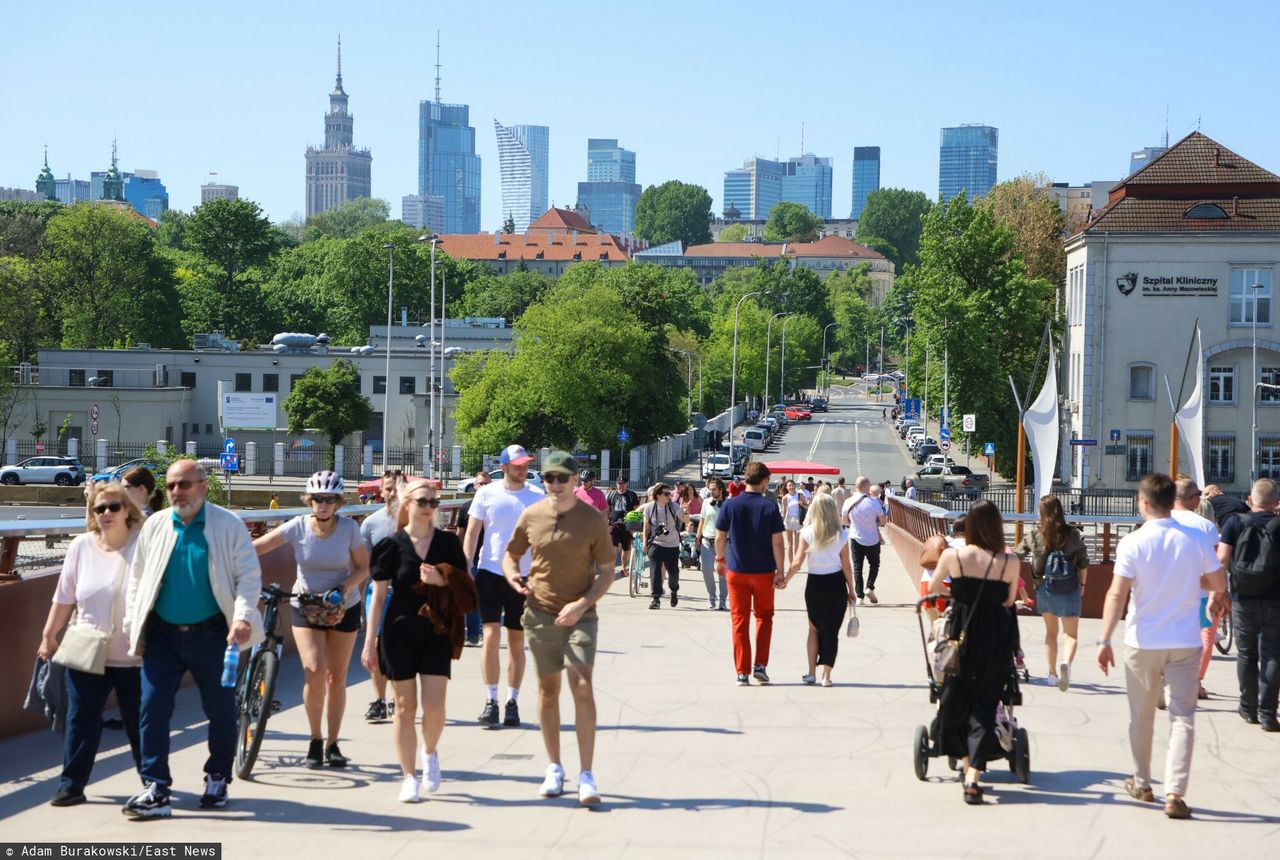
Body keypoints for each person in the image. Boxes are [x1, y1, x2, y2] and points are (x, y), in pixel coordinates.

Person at [120, 459, 262, 818]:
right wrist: (131, 625)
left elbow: (248, 575)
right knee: (151, 708)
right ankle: (156, 787)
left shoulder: (227, 525)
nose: (176, 492)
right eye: (170, 486)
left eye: (184, 484)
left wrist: (243, 617)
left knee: (220, 710)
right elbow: (137, 579)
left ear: (203, 485)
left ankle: (217, 778)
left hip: (213, 633)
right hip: (162, 636)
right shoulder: (155, 525)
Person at [1097, 473, 1225, 819]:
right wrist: (1212, 593)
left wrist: (1104, 638)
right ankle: (1175, 793)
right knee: (1183, 717)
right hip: (1184, 640)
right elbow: (1217, 579)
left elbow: (1117, 593)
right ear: (1174, 501)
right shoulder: (1194, 539)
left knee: (1141, 716)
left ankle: (1142, 782)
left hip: (1143, 641)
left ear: (1143, 503)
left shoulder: (1133, 543)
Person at [503, 452, 616, 806]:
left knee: (582, 684)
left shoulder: (591, 519)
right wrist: (513, 578)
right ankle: (554, 767)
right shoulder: (532, 514)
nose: (555, 484)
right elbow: (511, 554)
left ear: (574, 480)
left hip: (581, 613)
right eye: (549, 478)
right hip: (539, 613)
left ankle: (586, 774)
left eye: (561, 478)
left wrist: (582, 604)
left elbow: (608, 571)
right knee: (547, 690)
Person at [363, 478, 477, 802]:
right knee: (404, 706)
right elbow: (379, 596)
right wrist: (370, 641)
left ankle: (429, 751)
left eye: (433, 502)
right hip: (398, 631)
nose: (429, 508)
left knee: (435, 707)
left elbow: (465, 585)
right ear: (407, 505)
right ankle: (409, 776)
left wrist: (442, 578)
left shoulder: (448, 544)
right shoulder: (390, 545)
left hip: (436, 630)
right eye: (423, 501)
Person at [38, 482, 145, 807]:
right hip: (88, 648)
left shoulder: (143, 543)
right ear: (92, 513)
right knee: (81, 720)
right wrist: (48, 635)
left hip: (136, 654)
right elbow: (64, 597)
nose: (107, 513)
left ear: (127, 509)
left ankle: (154, 784)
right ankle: (71, 785)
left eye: (114, 506)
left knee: (141, 723)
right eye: (100, 508)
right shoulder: (82, 546)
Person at [252, 471, 368, 768]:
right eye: (318, 499)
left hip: (343, 606)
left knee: (336, 677)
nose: (323, 504)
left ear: (338, 503)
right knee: (314, 669)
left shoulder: (349, 530)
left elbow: (363, 568)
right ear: (309, 500)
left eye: (329, 499)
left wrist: (342, 589)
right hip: (305, 605)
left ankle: (333, 743)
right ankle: (315, 739)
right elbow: (258, 547)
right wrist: (222, 548)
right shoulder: (297, 527)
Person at [924, 500, 1020, 805]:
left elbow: (933, 588)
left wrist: (960, 594)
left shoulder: (954, 556)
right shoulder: (1010, 562)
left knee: (954, 703)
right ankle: (973, 775)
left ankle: (968, 767)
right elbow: (1008, 602)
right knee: (985, 706)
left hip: (960, 638)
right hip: (996, 639)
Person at [463, 444, 545, 729]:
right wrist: (466, 567)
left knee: (516, 642)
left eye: (526, 465)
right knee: (490, 635)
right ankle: (491, 700)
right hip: (490, 572)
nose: (523, 469)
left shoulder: (537, 496)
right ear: (505, 467)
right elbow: (473, 532)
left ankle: (512, 702)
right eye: (518, 465)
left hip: (523, 577)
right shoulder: (486, 493)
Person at [1216, 478, 1280, 732]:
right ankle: (1268, 713)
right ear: (1276, 502)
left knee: (1246, 654)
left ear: (1251, 499)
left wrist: (1220, 592)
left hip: (1243, 597)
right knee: (1273, 655)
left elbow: (1222, 558)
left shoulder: (1235, 522)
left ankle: (1248, 708)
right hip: (1276, 599)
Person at [715, 461, 786, 686]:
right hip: (764, 571)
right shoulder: (769, 507)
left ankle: (742, 672)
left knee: (739, 619)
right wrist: (780, 571)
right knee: (764, 618)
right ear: (764, 481)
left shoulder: (730, 505)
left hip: (737, 570)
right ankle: (760, 666)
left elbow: (720, 536)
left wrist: (719, 558)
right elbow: (777, 542)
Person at [1013, 495, 1089, 691]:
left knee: (1051, 632)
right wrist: (1082, 585)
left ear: (1041, 512)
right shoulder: (1072, 534)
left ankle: (1052, 674)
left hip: (1044, 588)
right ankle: (1067, 663)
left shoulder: (1035, 535)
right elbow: (1083, 563)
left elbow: (1015, 556)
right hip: (1070, 588)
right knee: (1070, 635)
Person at [783, 494, 854, 686]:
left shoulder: (806, 533)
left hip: (814, 584)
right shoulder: (842, 534)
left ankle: (811, 672)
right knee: (831, 631)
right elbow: (846, 566)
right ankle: (826, 676)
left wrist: (785, 580)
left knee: (813, 629)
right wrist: (852, 590)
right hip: (836, 583)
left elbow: (797, 562)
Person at [359, 469, 406, 721]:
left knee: (400, 649)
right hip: (378, 595)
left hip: (407, 595)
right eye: (388, 488)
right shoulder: (370, 524)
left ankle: (400, 700)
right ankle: (379, 699)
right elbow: (363, 567)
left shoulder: (416, 520)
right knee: (375, 646)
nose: (392, 493)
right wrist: (355, 600)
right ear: (381, 491)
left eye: (397, 488)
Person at [1169, 479, 1221, 701]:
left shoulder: (1163, 522)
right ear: (1192, 498)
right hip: (1200, 593)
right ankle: (1195, 682)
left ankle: (1168, 677)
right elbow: (1216, 564)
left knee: (1171, 636)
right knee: (1204, 637)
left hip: (1169, 592)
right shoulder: (1206, 527)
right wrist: (1219, 592)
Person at [454, 470, 492, 647]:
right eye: (480, 483)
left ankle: (486, 631)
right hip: (472, 559)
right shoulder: (466, 507)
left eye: (486, 483)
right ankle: (473, 634)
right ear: (475, 485)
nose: (483, 486)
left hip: (492, 559)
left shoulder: (496, 506)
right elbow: (461, 533)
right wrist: (461, 556)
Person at [642, 483, 690, 610]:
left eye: (670, 493)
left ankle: (673, 591)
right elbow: (646, 527)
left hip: (672, 544)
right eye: (666, 494)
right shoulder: (649, 507)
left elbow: (685, 520)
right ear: (657, 495)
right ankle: (655, 599)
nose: (669, 496)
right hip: (656, 544)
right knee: (655, 571)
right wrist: (644, 543)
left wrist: (685, 511)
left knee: (673, 573)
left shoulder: (673, 506)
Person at [841, 476, 886, 604]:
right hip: (873, 539)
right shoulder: (874, 502)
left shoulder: (848, 501)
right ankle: (869, 586)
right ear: (866, 486)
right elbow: (883, 522)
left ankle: (859, 597)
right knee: (874, 564)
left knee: (857, 567)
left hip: (855, 537)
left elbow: (845, 521)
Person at [699, 479, 729, 610]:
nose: (711, 492)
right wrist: (697, 537)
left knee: (723, 573)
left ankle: (722, 600)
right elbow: (702, 521)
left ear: (721, 490)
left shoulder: (728, 504)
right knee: (706, 571)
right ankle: (712, 596)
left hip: (724, 543)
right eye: (710, 489)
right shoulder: (706, 502)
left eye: (714, 489)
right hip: (707, 541)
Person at [605, 477, 640, 574]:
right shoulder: (611, 495)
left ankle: (623, 568)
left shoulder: (632, 495)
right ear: (616, 484)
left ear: (627, 484)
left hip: (627, 525)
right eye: (619, 483)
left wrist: (635, 527)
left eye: (623, 483)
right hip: (613, 524)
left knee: (626, 548)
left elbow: (637, 510)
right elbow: (607, 510)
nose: (621, 485)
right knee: (612, 546)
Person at [779, 480, 807, 563]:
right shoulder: (785, 498)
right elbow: (783, 512)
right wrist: (780, 523)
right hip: (789, 520)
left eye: (792, 485)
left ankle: (796, 562)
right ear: (786, 488)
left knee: (797, 544)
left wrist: (801, 503)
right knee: (790, 545)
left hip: (799, 520)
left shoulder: (800, 495)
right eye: (789, 486)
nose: (791, 487)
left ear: (795, 486)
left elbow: (807, 506)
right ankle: (791, 564)